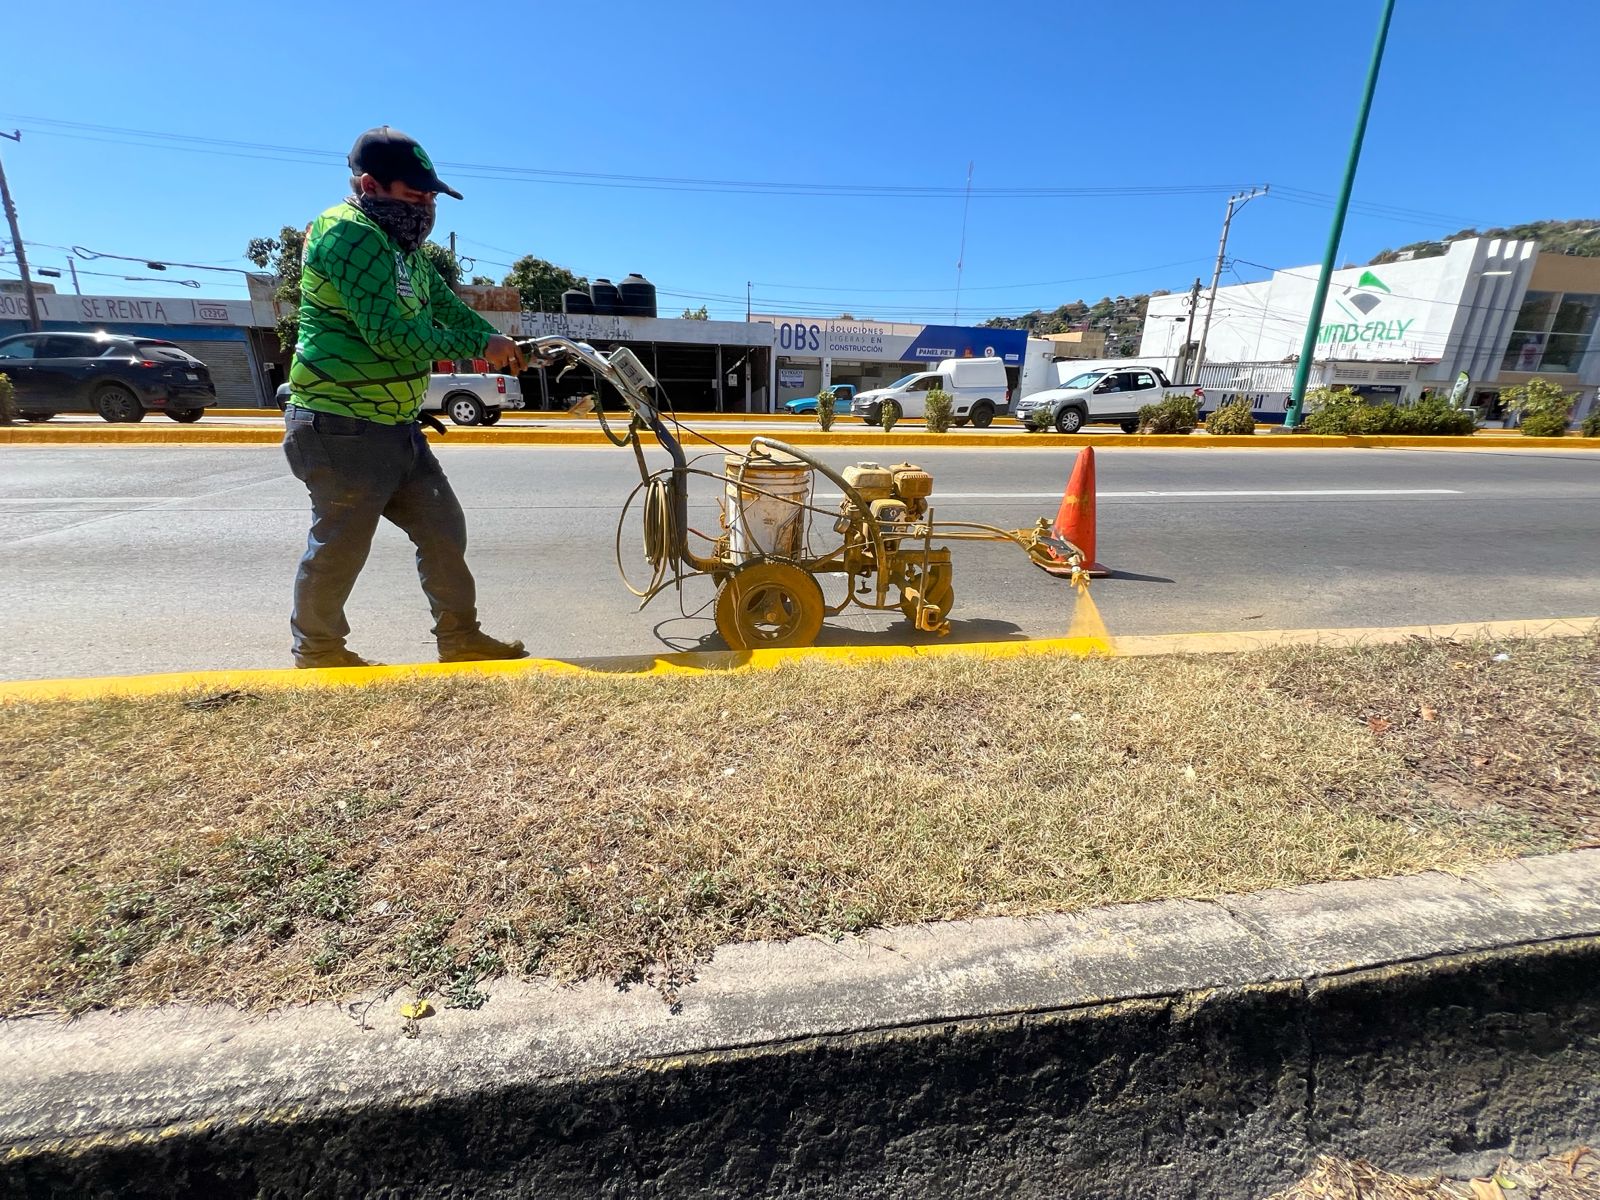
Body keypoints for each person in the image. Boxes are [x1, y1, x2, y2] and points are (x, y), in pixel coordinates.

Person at [282, 126, 529, 669]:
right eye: (415, 195)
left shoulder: (404, 249)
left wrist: (498, 341)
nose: (427, 206)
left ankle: (460, 638)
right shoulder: (346, 233)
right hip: (339, 423)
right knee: (341, 546)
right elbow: (391, 335)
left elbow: (446, 307)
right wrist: (477, 345)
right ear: (370, 185)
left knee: (443, 528)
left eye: (431, 196)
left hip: (395, 424)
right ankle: (318, 652)